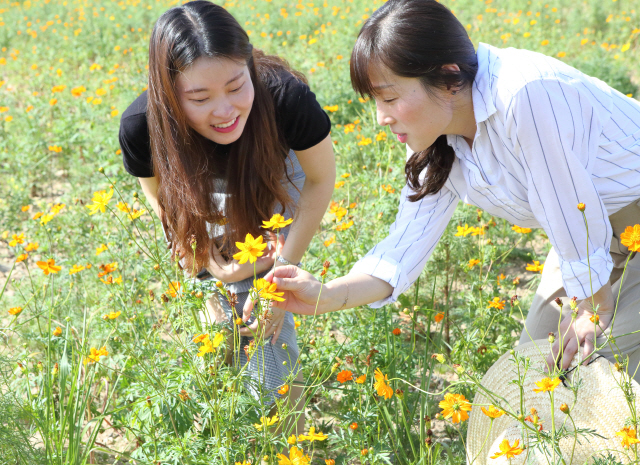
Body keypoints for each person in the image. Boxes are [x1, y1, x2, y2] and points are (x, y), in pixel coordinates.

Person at [249, 0, 640, 381]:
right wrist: (327, 295)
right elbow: (404, 245)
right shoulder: (435, 136)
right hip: (588, 236)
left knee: (595, 371)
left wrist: (592, 305)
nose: (381, 117)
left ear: (449, 77)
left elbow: (570, 203)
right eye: (375, 101)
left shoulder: (523, 94)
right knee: (532, 374)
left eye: (389, 97)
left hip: (611, 219)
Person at [118, 0, 336, 431]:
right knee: (218, 330)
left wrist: (283, 268)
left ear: (250, 66)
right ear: (167, 95)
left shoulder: (284, 98)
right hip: (196, 184)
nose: (225, 110)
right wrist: (202, 263)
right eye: (199, 97)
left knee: (265, 325)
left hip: (273, 165)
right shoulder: (141, 125)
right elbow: (162, 200)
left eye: (237, 86)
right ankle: (227, 422)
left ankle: (282, 438)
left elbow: (319, 181)